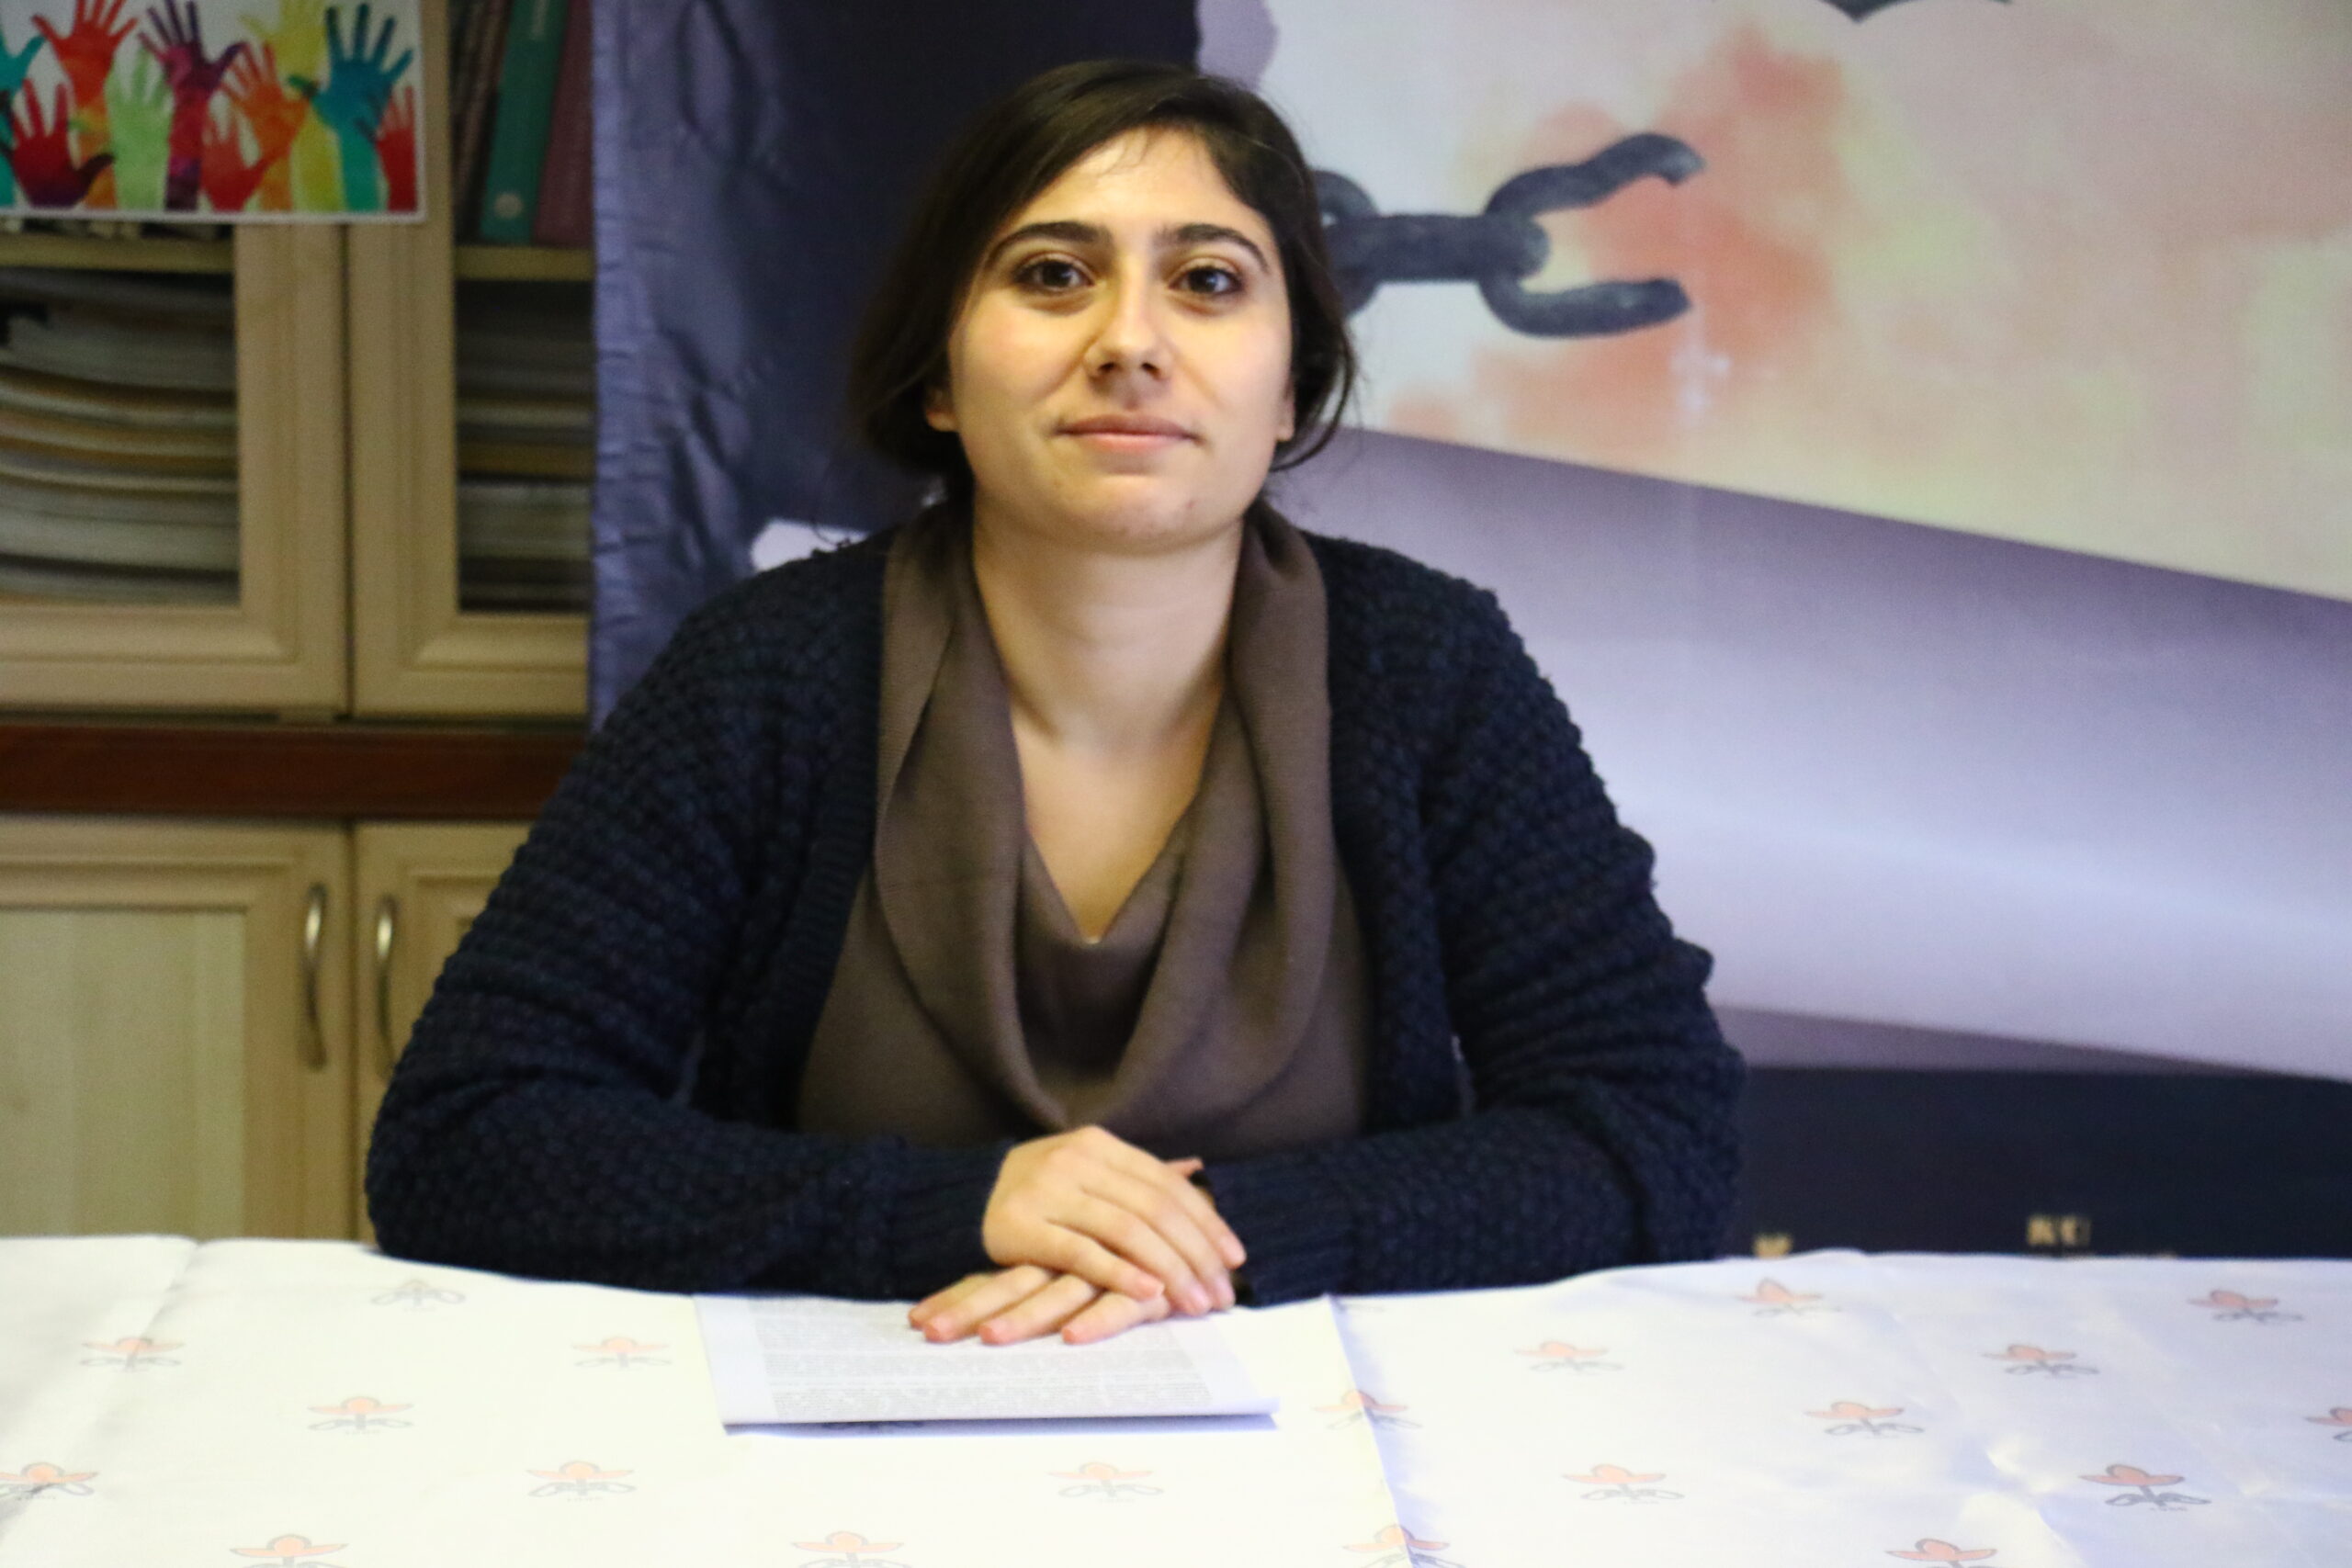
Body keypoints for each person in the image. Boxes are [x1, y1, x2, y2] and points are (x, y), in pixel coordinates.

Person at [366, 59, 1742, 1348]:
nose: (1129, 341)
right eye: (1052, 275)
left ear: (1292, 388)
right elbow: (466, 1132)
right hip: (857, 1428)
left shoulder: (1426, 667)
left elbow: (1655, 1133)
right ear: (938, 378)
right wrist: (955, 1208)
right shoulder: (770, 670)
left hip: (1320, 1436)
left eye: (1208, 281)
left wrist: (1212, 1240)